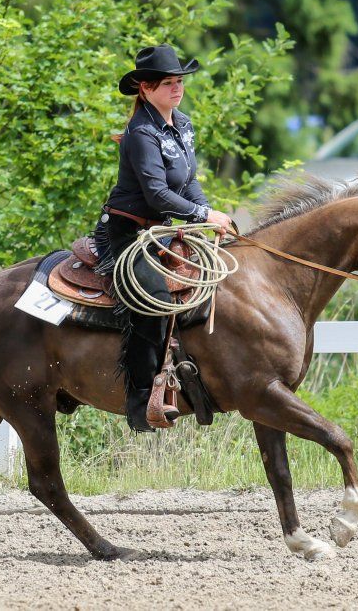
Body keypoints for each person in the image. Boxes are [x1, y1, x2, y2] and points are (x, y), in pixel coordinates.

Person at [92, 44, 234, 432]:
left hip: (161, 231)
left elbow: (189, 181)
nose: (177, 88)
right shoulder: (141, 132)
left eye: (179, 81)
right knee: (153, 300)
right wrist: (203, 215)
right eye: (168, 83)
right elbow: (157, 193)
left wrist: (209, 215)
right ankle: (140, 402)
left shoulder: (182, 124)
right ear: (146, 88)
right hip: (127, 232)